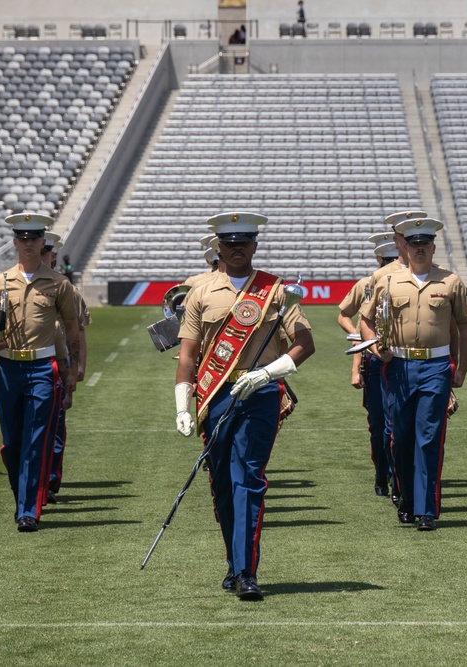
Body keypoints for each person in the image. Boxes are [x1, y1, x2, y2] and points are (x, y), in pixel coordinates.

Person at [176, 211, 314, 600]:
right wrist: (182, 406)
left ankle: (248, 571)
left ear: (255, 245)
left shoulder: (277, 291)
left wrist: (268, 374)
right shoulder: (200, 292)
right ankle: (233, 563)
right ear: (218, 247)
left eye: (245, 242)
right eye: (230, 243)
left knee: (248, 478)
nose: (237, 249)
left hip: (260, 396)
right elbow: (188, 356)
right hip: (214, 395)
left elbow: (305, 344)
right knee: (221, 481)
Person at [359, 218, 467, 531]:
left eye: (426, 243)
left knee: (429, 439)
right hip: (398, 366)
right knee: (400, 439)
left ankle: (426, 509)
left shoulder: (450, 281)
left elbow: (465, 324)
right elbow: (365, 320)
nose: (420, 248)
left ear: (433, 247)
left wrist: (461, 367)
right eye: (414, 243)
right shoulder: (385, 281)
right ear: (405, 247)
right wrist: (374, 349)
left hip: (436, 367)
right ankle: (406, 498)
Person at [0, 213, 81, 532]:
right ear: (14, 243)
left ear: (42, 242)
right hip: (8, 365)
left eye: (34, 238)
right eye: (22, 238)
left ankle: (28, 510)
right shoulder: (0, 281)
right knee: (12, 443)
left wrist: (71, 369)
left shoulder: (59, 283)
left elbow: (73, 330)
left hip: (42, 367)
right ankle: (21, 492)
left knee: (36, 440)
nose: (28, 244)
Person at [337, 231, 400, 498]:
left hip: (403, 357)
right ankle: (381, 473)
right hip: (374, 361)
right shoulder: (366, 284)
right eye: (386, 260)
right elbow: (344, 315)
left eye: (394, 258)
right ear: (378, 258)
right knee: (377, 425)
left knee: (398, 422)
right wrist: (359, 338)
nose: (390, 264)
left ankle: (399, 476)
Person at [39, 230, 90, 502]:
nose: (45, 257)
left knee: (55, 426)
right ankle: (37, 482)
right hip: (31, 361)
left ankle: (48, 481)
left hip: (60, 362)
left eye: (47, 253)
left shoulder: (66, 289)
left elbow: (78, 330)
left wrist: (78, 367)